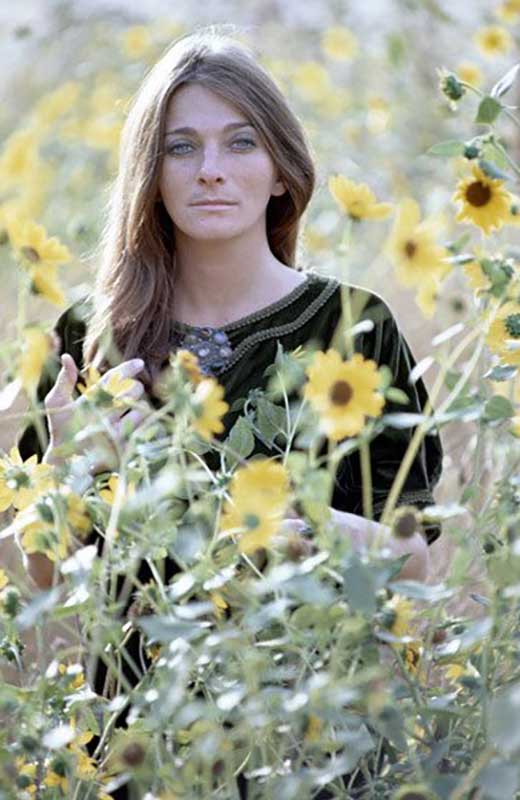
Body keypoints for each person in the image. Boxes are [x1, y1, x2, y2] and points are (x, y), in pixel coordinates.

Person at [16, 26, 443, 799]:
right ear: (150, 175)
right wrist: (70, 476)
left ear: (282, 170)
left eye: (240, 142)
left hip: (315, 750)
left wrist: (321, 531)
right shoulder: (90, 340)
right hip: (143, 751)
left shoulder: (355, 326)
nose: (210, 170)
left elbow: (414, 567)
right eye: (180, 148)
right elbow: (41, 585)